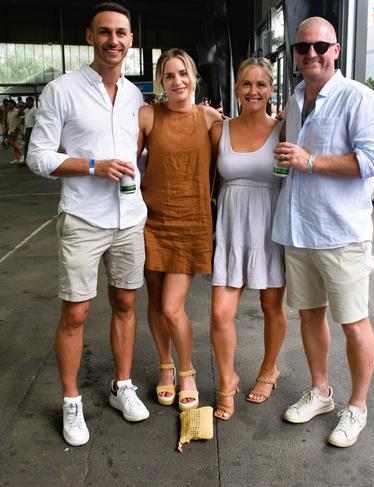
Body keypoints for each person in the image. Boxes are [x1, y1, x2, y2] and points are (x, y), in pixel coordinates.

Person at [27, 2, 150, 448]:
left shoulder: (136, 95)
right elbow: (37, 156)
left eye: (121, 32)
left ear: (131, 39)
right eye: (105, 32)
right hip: (83, 217)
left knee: (125, 303)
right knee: (76, 311)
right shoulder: (62, 90)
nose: (113, 40)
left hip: (130, 218)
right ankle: (71, 400)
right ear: (89, 36)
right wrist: (92, 166)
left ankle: (121, 385)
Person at [272, 17, 374, 448]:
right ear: (295, 55)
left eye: (320, 46)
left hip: (341, 232)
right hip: (299, 229)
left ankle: (356, 407)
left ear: (336, 50)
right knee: (309, 315)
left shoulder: (358, 98)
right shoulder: (294, 99)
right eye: (303, 48)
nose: (312, 54)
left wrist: (311, 161)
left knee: (354, 322)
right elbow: (289, 158)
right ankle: (320, 392)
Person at [137, 48, 221, 411]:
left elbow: (238, 153)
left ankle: (187, 370)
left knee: (172, 307)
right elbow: (124, 158)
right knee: (155, 303)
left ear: (194, 77)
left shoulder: (209, 118)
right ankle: (165, 366)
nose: (177, 81)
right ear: (161, 81)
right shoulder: (148, 116)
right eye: (169, 76)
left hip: (191, 223)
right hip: (151, 221)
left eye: (183, 73)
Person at [209, 57, 287, 421]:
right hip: (230, 228)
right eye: (246, 84)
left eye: (261, 84)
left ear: (271, 89)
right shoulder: (218, 130)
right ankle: (227, 381)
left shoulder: (283, 129)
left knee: (272, 307)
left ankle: (269, 369)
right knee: (220, 314)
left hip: (270, 227)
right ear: (237, 88)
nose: (254, 91)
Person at [6, 99, 24, 165]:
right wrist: (7, 130)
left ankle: (22, 155)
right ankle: (17, 158)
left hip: (16, 131)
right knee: (12, 145)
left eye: (10, 104)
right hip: (10, 131)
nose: (9, 105)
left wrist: (18, 126)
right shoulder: (8, 112)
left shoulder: (17, 111)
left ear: (14, 104)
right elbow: (8, 122)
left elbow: (22, 119)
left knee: (15, 144)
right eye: (8, 104)